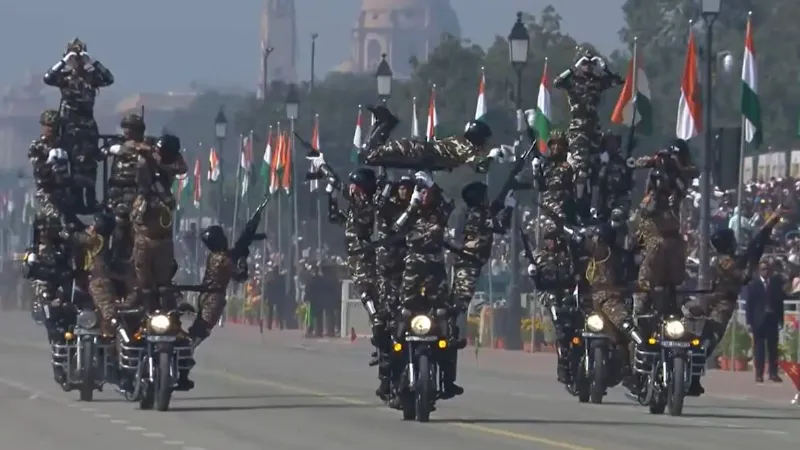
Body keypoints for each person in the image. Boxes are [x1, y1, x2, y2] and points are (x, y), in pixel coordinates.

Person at [688, 212, 782, 394]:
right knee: (707, 342)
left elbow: (753, 248)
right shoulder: (725, 262)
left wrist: (769, 225)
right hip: (718, 305)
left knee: (704, 343)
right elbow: (744, 277)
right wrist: (752, 259)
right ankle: (690, 377)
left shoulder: (729, 259)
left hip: (715, 303)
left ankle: (691, 377)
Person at [447, 182, 515, 398]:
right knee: (460, 304)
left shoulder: (476, 213)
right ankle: (454, 333)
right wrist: (510, 207)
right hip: (467, 264)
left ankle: (453, 334)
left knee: (458, 303)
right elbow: (500, 224)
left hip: (470, 263)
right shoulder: (477, 215)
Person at [43, 38, 114, 212]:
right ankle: (75, 200)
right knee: (72, 164)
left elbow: (109, 78)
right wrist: (64, 62)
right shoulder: (65, 78)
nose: (78, 61)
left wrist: (93, 62)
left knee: (90, 164)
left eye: (79, 57)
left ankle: (90, 200)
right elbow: (48, 78)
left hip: (87, 127)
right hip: (69, 126)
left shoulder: (91, 77)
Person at [554, 47, 623, 220]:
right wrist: (573, 68)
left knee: (599, 169)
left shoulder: (598, 82)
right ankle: (577, 202)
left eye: (591, 63)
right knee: (581, 169)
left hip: (594, 130)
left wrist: (604, 67)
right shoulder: (573, 81)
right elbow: (557, 82)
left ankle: (594, 205)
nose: (589, 67)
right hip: (578, 129)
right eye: (585, 63)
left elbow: (619, 81)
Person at [631, 140, 699, 315]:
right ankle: (641, 301)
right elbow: (636, 163)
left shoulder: (683, 173)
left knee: (677, 250)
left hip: (671, 226)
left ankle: (677, 296)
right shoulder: (658, 167)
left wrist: (677, 167)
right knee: (654, 252)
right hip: (651, 224)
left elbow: (694, 172)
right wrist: (657, 159)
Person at [579, 224, 643, 390]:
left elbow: (633, 276)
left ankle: (629, 371)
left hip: (615, 299)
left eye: (595, 239)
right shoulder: (597, 255)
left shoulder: (612, 254)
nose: (592, 241)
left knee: (628, 331)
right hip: (591, 300)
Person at [527, 218, 580, 383]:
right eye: (549, 239)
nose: (552, 242)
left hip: (569, 292)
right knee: (561, 329)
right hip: (549, 293)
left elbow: (577, 272)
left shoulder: (569, 254)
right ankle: (563, 365)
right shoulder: (540, 256)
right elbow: (537, 282)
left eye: (555, 238)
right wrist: (533, 273)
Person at [361, 120, 493, 171]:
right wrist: (491, 157)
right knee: (371, 155)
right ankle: (386, 122)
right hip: (419, 150)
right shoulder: (465, 145)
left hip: (422, 154)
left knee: (377, 156)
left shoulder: (463, 143)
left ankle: (384, 125)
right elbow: (479, 166)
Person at [107, 113, 148, 266]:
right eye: (125, 128)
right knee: (116, 227)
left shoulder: (144, 146)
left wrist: (128, 148)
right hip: (116, 193)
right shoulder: (118, 144)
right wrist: (113, 149)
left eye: (130, 129)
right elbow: (103, 152)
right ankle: (116, 257)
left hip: (133, 194)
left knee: (131, 228)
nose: (126, 132)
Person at [745, 258, 785, 383]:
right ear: (759, 270)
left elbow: (780, 303)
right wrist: (749, 322)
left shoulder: (775, 285)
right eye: (763, 269)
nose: (766, 271)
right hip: (758, 321)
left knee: (773, 349)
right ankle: (759, 374)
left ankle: (773, 373)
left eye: (768, 269)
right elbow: (749, 306)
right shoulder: (753, 285)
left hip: (772, 320)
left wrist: (781, 320)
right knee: (759, 349)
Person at [532, 130, 576, 225]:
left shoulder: (569, 165)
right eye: (554, 144)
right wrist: (536, 172)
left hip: (563, 211)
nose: (556, 147)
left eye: (560, 144)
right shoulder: (547, 165)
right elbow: (540, 188)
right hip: (548, 211)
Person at [596, 131, 635, 221]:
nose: (613, 145)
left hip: (619, 199)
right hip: (603, 199)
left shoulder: (621, 161)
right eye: (610, 142)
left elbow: (628, 184)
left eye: (614, 142)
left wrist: (630, 169)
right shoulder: (599, 159)